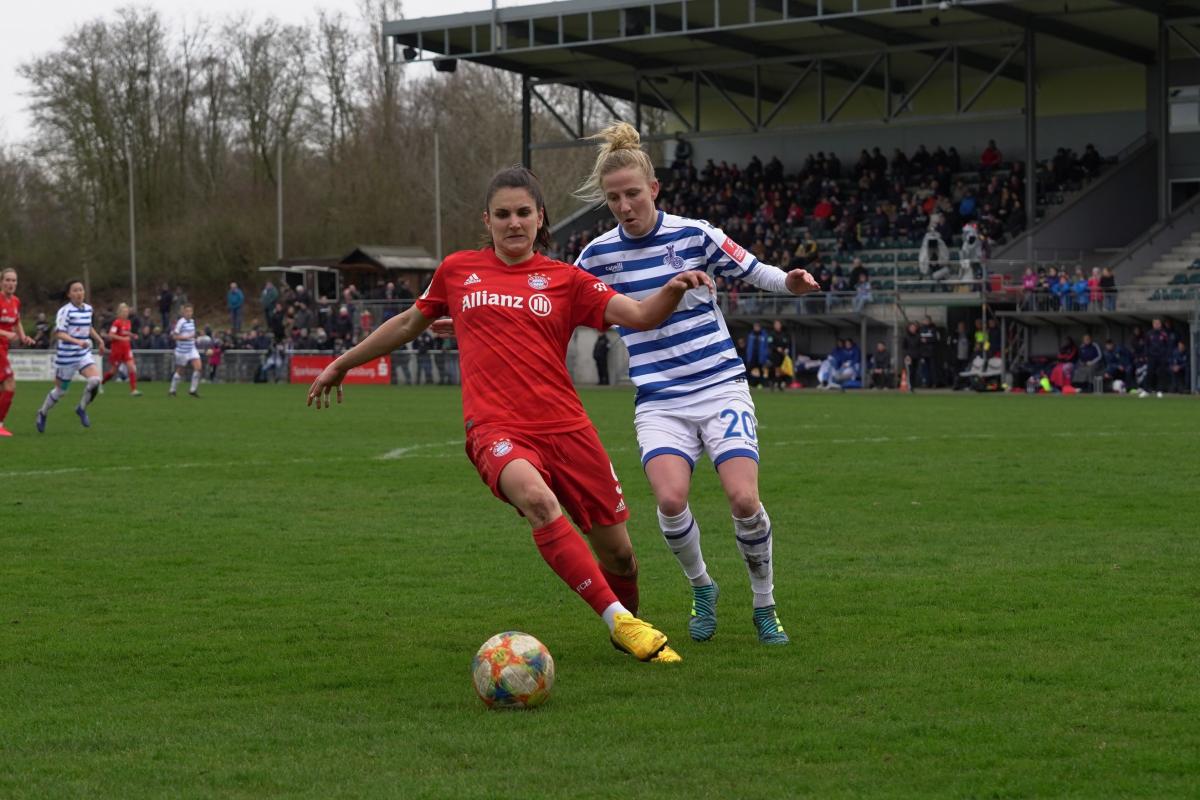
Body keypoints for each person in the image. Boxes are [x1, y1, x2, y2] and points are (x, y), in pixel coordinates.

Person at [310, 165, 715, 663]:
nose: (513, 223)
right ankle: (621, 622)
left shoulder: (567, 280)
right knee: (539, 503)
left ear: (540, 217)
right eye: (502, 214)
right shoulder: (458, 271)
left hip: (568, 430)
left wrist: (673, 289)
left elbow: (640, 315)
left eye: (523, 212)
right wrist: (341, 363)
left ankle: (625, 620)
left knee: (621, 555)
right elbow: (409, 321)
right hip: (497, 428)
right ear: (487, 220)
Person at [573, 123, 820, 646]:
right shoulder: (597, 257)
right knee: (668, 500)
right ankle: (702, 587)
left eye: (633, 194)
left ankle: (764, 603)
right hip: (660, 399)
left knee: (743, 500)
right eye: (614, 198)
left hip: (720, 386)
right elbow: (549, 302)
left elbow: (755, 270)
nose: (624, 205)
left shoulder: (695, 234)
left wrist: (791, 281)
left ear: (654, 189)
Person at [36, 279, 107, 432]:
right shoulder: (64, 311)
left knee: (95, 380)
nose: (79, 293)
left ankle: (81, 408)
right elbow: (59, 334)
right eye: (75, 290)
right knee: (61, 391)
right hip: (66, 357)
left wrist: (100, 340)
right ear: (69, 294)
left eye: (81, 290)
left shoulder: (88, 309)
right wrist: (77, 341)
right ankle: (42, 412)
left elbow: (88, 327)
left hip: (82, 354)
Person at [0, 268, 37, 437]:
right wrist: (6, 333)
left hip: (3, 348)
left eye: (14, 281)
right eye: (7, 280)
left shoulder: (15, 301)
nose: (11, 283)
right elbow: (8, 329)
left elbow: (17, 321)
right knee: (10, 385)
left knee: (3, 388)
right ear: (1, 282)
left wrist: (23, 337)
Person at [101, 303, 142, 397]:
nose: (125, 313)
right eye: (123, 311)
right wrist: (123, 339)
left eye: (127, 311)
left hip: (126, 349)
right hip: (117, 350)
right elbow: (111, 335)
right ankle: (100, 383)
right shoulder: (116, 322)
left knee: (131, 367)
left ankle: (133, 390)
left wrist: (132, 335)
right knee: (113, 372)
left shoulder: (128, 322)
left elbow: (125, 332)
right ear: (119, 312)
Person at [170, 304, 203, 398]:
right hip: (182, 351)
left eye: (190, 311)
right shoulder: (181, 322)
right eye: (187, 311)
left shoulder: (192, 321)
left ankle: (193, 390)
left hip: (191, 349)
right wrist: (187, 337)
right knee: (180, 370)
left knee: (199, 368)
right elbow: (174, 336)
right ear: (183, 312)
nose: (189, 313)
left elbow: (192, 335)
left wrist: (196, 338)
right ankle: (172, 390)